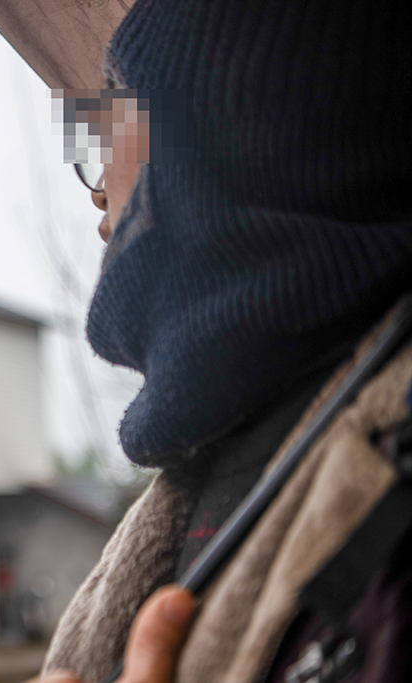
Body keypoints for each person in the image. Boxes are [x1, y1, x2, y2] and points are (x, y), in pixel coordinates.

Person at [30, 0, 412, 681]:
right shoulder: (218, 460)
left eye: (112, 107)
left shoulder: (389, 484)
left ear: (227, 115)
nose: (93, 191)